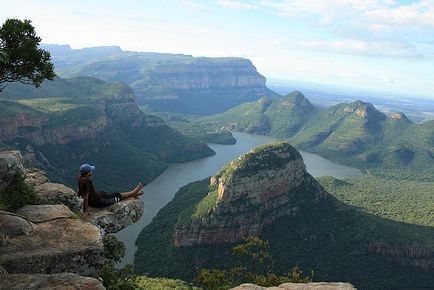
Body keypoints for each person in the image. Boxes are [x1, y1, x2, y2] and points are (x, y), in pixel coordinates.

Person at [77, 163, 144, 217]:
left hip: (98, 195)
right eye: (90, 171)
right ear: (87, 173)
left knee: (113, 194)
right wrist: (86, 210)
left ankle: (134, 194)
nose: (91, 172)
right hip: (99, 201)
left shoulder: (80, 178)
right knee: (117, 196)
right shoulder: (87, 180)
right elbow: (86, 196)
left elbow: (80, 189)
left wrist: (78, 196)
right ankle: (134, 192)